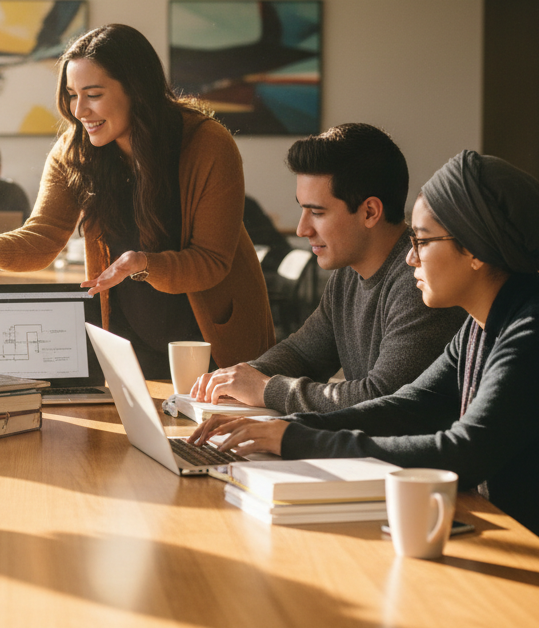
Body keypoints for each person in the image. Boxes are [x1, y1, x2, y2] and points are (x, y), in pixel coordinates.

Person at [190, 151, 539, 580]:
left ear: (476, 251)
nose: (409, 257)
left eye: (422, 241)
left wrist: (296, 438)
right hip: (526, 546)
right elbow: (409, 405)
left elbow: (461, 452)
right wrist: (288, 429)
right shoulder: (484, 325)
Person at [0, 23, 274, 377]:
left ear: (136, 89)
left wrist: (143, 263)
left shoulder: (207, 143)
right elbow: (44, 234)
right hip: (134, 340)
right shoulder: (74, 152)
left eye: (93, 94)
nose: (79, 110)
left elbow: (212, 261)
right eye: (72, 94)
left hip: (216, 343)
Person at [190, 124, 466, 413]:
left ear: (370, 212)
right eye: (302, 209)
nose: (301, 229)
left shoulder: (419, 283)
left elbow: (381, 397)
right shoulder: (348, 273)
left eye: (317, 212)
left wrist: (264, 388)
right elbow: (302, 354)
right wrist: (235, 380)